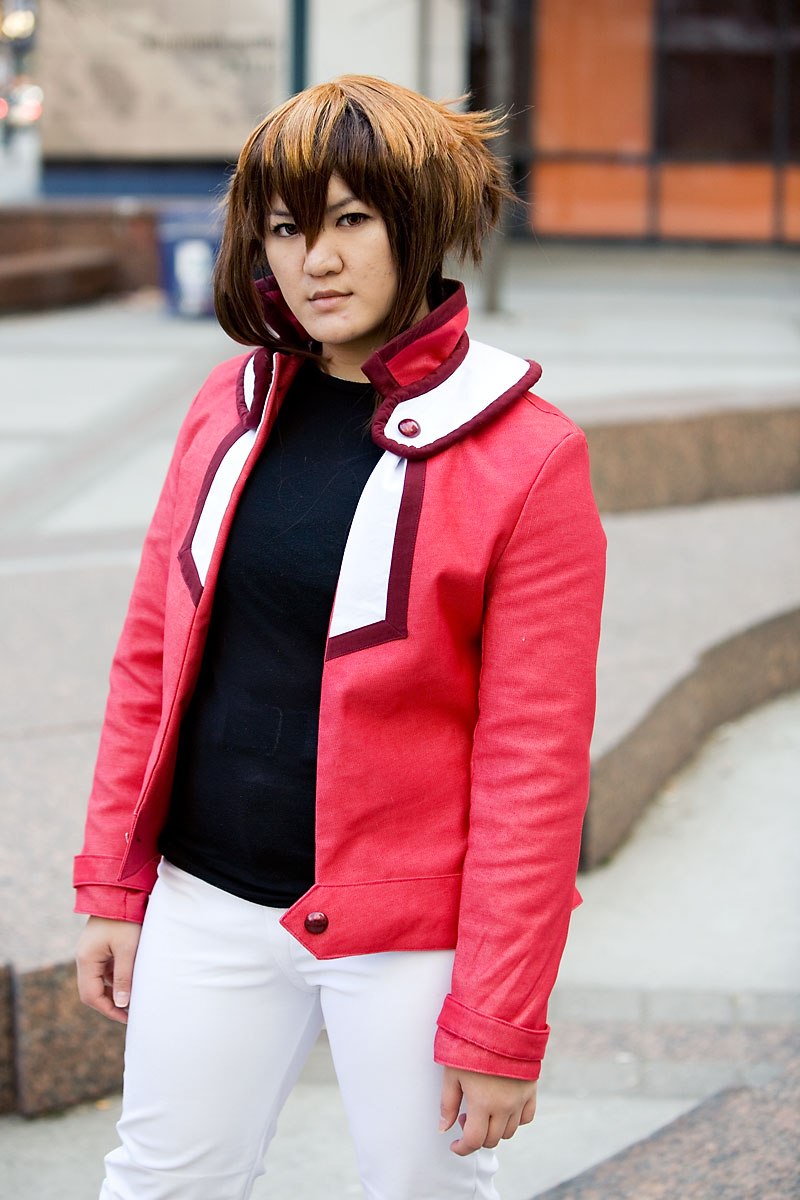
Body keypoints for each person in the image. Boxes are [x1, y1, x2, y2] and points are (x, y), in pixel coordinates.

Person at [74, 75, 606, 1200]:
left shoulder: (528, 457)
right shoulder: (228, 403)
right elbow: (149, 660)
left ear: (418, 222)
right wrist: (115, 886)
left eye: (350, 219)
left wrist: (498, 1017)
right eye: (284, 228)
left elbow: (534, 765)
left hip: (410, 934)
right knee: (159, 1183)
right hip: (208, 897)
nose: (313, 259)